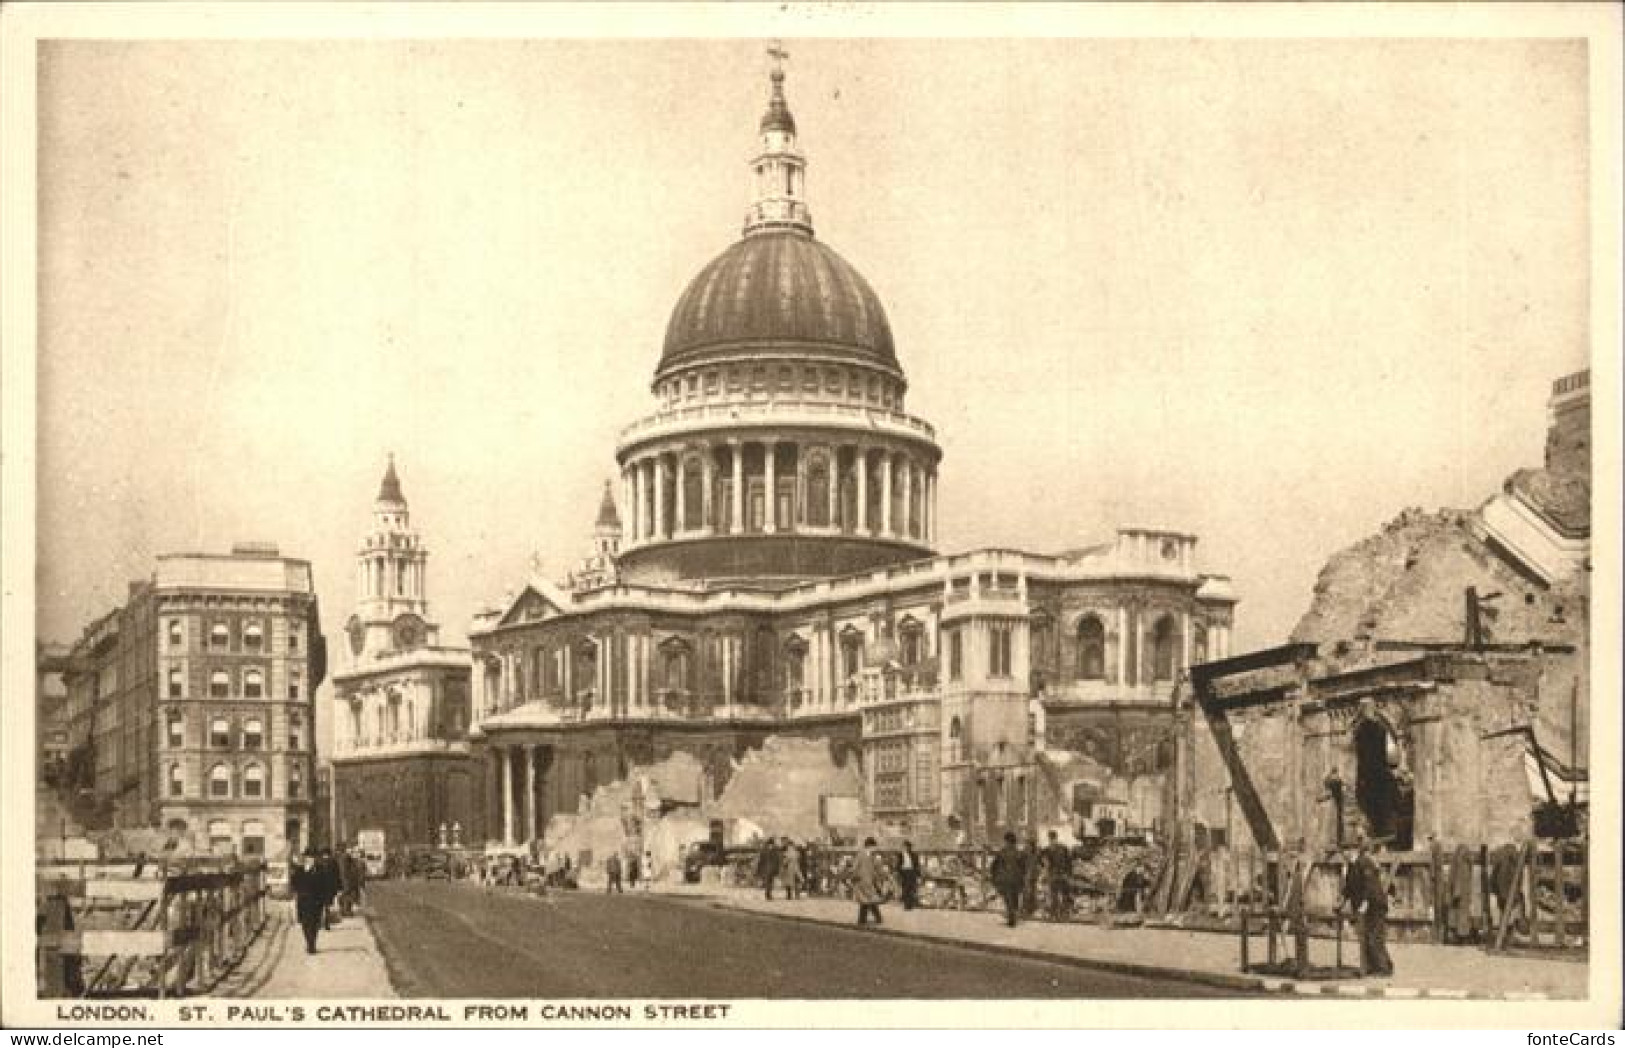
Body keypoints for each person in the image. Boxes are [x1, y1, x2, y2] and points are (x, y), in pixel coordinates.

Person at [1339, 835, 1394, 977]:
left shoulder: (1365, 862)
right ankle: (1372, 966)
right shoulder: (1351, 866)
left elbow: (1370, 885)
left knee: (1374, 937)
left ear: (1352, 850)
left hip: (1375, 905)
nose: (1343, 854)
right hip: (1364, 907)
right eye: (1342, 851)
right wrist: (1341, 901)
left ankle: (1383, 969)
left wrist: (1365, 903)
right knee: (1365, 937)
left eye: (1345, 850)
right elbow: (1349, 888)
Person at [290, 849, 327, 954]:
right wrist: (298, 892)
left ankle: (312, 944)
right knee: (305, 923)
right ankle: (309, 942)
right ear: (305, 858)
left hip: (316, 901)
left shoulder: (320, 870)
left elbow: (324, 885)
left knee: (315, 923)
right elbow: (294, 884)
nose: (311, 860)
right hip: (303, 901)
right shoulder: (299, 870)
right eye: (308, 858)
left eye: (312, 858)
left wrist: (324, 900)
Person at [991, 832, 1025, 928]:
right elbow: (1023, 867)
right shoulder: (1019, 852)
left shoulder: (1002, 852)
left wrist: (995, 877)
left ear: (1006, 841)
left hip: (1005, 879)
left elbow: (994, 865)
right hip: (1016, 879)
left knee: (1008, 899)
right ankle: (1013, 917)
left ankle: (1011, 919)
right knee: (1015, 899)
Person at [853, 837, 885, 925]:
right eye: (874, 847)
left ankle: (864, 920)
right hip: (862, 881)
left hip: (869, 881)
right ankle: (871, 919)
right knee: (867, 900)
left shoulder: (873, 856)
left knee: (868, 901)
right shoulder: (860, 855)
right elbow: (855, 867)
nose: (875, 849)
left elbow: (876, 869)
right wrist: (855, 877)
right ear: (869, 846)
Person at [1042, 831, 1072, 920]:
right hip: (1063, 874)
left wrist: (1045, 872)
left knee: (1054, 894)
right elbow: (1069, 862)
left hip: (1054, 875)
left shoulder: (1047, 849)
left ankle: (1055, 914)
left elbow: (1044, 863)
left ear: (1049, 838)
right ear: (1056, 837)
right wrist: (1069, 873)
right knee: (1064, 894)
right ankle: (1064, 913)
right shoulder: (1064, 847)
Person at [315, 848, 341, 929]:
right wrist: (338, 888)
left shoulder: (318, 862)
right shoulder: (333, 862)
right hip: (330, 888)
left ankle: (319, 923)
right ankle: (327, 923)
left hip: (319, 888)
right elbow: (337, 876)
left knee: (319, 907)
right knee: (327, 907)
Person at [897, 840, 922, 911]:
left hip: (912, 872)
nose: (905, 848)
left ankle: (910, 905)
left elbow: (917, 866)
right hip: (904, 873)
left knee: (912, 888)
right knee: (905, 889)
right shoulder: (900, 855)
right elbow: (898, 865)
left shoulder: (914, 855)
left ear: (909, 847)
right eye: (904, 847)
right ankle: (906, 905)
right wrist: (900, 873)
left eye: (906, 847)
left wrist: (918, 875)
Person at [1020, 836, 1042, 917]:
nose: (1027, 845)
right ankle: (1026, 909)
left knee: (1031, 892)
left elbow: (1040, 863)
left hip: (1032, 874)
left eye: (1028, 844)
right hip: (1028, 874)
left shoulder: (1034, 852)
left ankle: (1029, 909)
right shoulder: (1027, 852)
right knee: (1027, 892)